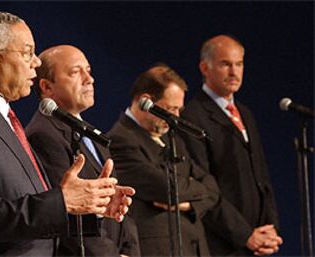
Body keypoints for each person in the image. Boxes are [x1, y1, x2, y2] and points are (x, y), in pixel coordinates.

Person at [0, 11, 133, 256]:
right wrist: (63, 201)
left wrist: (86, 207)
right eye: (27, 53)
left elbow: (28, 209)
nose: (36, 62)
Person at [25, 45, 140, 257]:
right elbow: (68, 215)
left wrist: (130, 252)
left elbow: (120, 205)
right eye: (75, 72)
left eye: (88, 70)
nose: (89, 79)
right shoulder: (43, 135)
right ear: (46, 87)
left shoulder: (88, 132)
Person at [181, 34, 283, 256]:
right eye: (225, 64)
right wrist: (245, 235)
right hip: (223, 244)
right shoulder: (193, 116)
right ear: (204, 68)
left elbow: (262, 177)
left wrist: (271, 228)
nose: (234, 72)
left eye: (239, 64)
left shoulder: (245, 113)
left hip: (258, 241)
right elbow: (204, 187)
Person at [107, 63, 220, 256]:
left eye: (179, 109)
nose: (176, 117)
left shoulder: (171, 138)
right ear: (146, 101)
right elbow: (167, 188)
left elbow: (212, 188)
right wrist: (193, 188)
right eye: (170, 109)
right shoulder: (120, 140)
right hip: (160, 249)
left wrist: (187, 204)